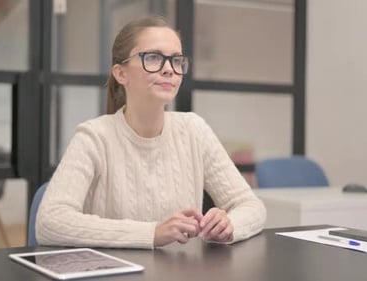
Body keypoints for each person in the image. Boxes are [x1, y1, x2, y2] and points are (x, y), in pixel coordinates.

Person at [36, 15, 266, 249]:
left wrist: (229, 225)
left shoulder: (194, 130)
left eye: (176, 61)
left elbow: (251, 206)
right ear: (120, 73)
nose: (169, 70)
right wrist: (152, 233)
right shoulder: (94, 137)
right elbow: (49, 221)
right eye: (154, 58)